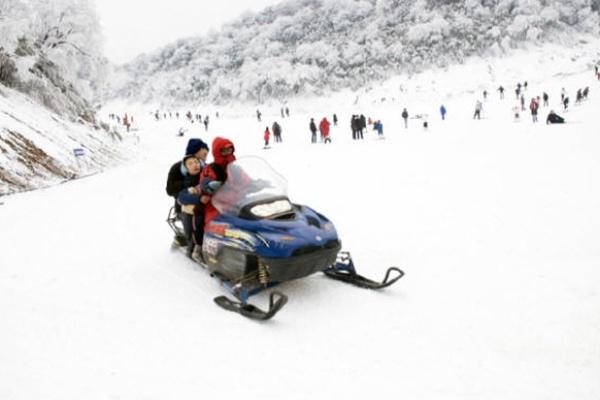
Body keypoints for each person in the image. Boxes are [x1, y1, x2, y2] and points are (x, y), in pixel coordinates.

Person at [198, 137, 237, 229]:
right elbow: (204, 181)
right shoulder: (211, 168)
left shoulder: (236, 168)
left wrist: (258, 183)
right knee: (217, 226)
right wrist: (209, 185)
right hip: (217, 206)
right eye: (224, 151)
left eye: (229, 150)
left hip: (236, 204)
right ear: (217, 152)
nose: (228, 153)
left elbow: (245, 180)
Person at [176, 155, 206, 259]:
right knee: (194, 225)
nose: (195, 165)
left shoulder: (207, 176)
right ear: (185, 168)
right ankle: (192, 247)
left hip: (206, 208)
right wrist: (199, 199)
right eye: (190, 163)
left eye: (196, 162)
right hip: (190, 212)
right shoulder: (184, 181)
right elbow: (181, 197)